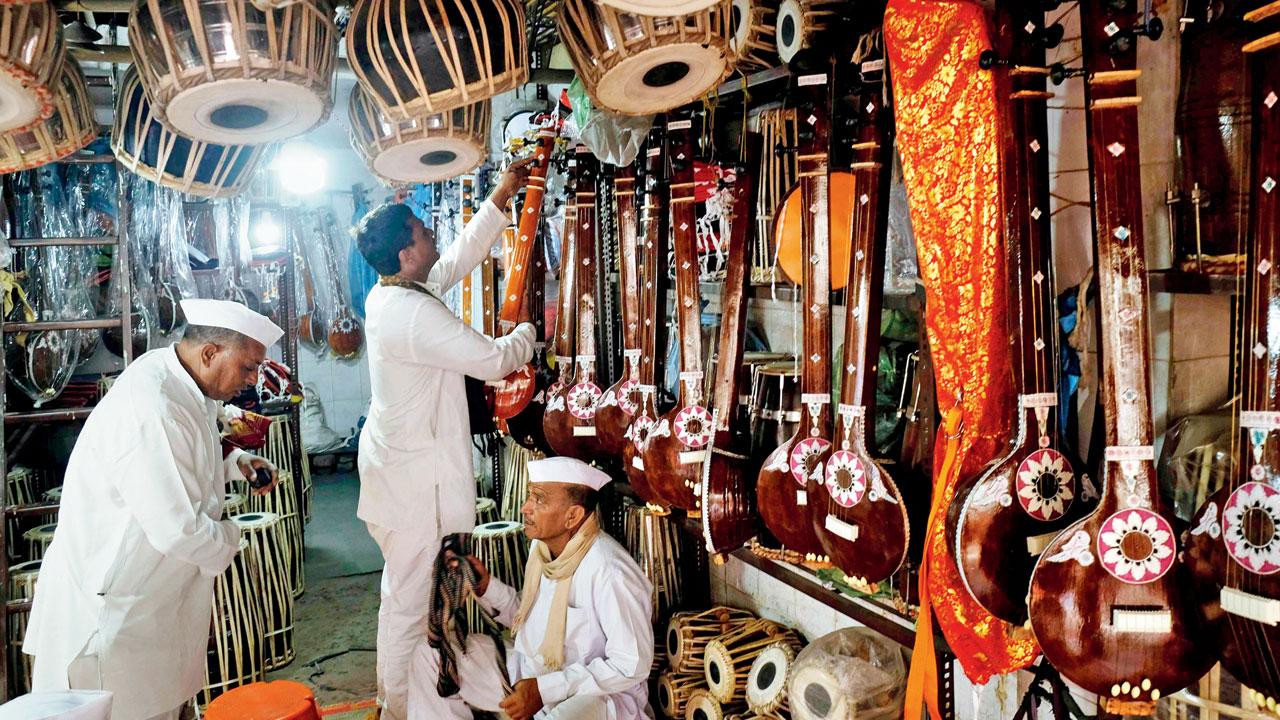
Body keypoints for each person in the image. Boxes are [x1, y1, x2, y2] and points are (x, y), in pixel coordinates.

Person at [25, 299, 284, 720]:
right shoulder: (153, 405)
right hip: (109, 616)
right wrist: (233, 536)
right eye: (248, 367)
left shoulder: (184, 382)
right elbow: (179, 531)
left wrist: (233, 464)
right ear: (209, 353)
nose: (252, 380)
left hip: (147, 609)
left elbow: (181, 461)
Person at [354, 159, 539, 720]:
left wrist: (501, 199)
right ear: (407, 253)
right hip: (409, 490)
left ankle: (413, 693)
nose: (432, 233)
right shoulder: (410, 316)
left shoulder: (395, 292)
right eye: (422, 230)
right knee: (405, 606)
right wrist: (530, 331)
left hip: (402, 473)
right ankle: (394, 707)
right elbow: (490, 361)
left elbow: (456, 257)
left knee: (413, 598)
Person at [410, 456, 655, 720]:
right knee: (431, 658)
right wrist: (486, 587)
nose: (525, 508)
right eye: (529, 496)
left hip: (595, 699)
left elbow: (630, 665)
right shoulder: (541, 549)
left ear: (572, 516)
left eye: (539, 500)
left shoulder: (610, 572)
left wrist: (544, 690)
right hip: (531, 673)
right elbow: (532, 618)